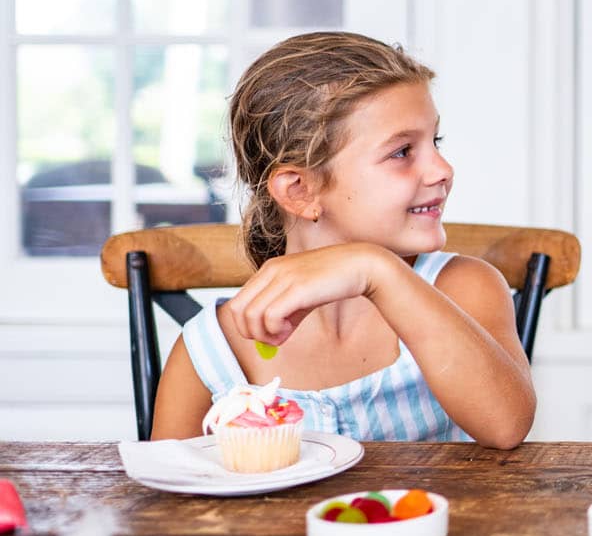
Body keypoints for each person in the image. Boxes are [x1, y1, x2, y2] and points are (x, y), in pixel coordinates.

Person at [151, 32, 535, 447]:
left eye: (435, 141)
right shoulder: (213, 350)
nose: (442, 169)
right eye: (402, 151)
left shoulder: (464, 288)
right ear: (300, 191)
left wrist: (376, 270)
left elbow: (506, 426)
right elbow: (169, 492)